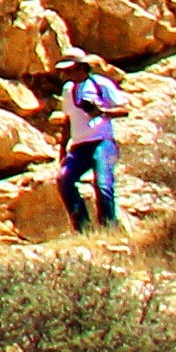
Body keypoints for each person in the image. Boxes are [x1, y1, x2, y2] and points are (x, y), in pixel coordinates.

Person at [56, 53, 127, 233]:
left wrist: (102, 112)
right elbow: (68, 119)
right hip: (79, 145)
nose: (66, 75)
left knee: (103, 184)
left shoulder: (100, 84)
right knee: (64, 179)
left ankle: (108, 228)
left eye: (69, 70)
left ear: (81, 67)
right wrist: (62, 149)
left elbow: (124, 110)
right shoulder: (68, 90)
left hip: (102, 142)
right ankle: (83, 228)